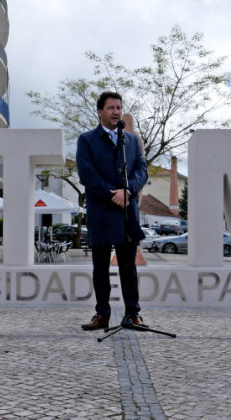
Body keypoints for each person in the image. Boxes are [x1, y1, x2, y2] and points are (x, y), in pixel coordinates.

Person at [76, 91, 148, 330]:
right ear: (100, 112)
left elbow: (141, 170)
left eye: (119, 107)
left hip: (128, 213)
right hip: (102, 214)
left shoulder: (132, 140)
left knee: (129, 268)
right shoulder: (87, 140)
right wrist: (113, 194)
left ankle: (133, 314)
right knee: (100, 269)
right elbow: (87, 175)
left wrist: (127, 191)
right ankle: (102, 315)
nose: (116, 111)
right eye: (111, 108)